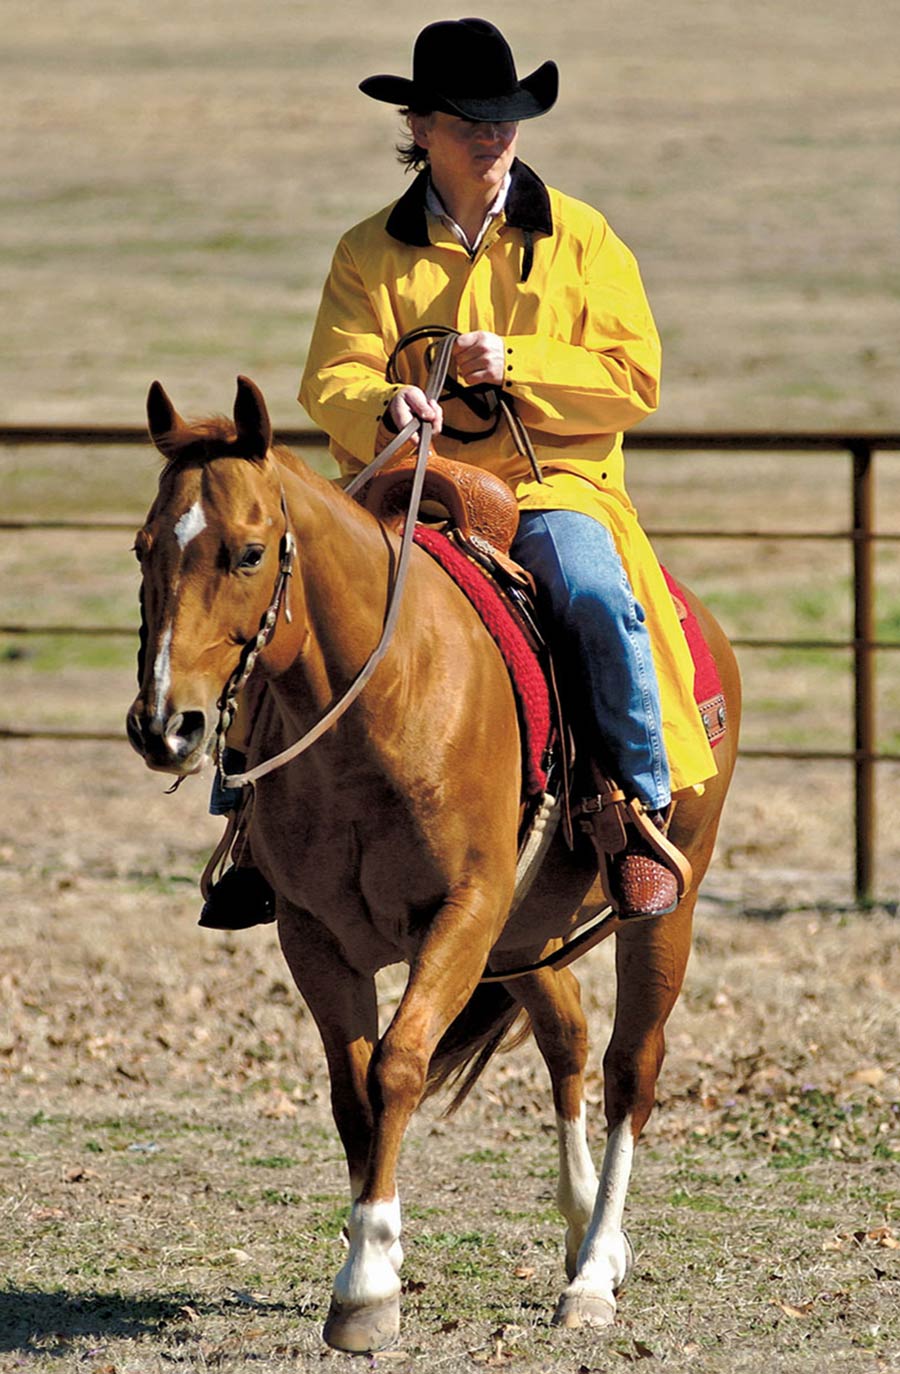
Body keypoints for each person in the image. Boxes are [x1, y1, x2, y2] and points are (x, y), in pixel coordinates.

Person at [201, 16, 716, 930]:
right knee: (283, 590)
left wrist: (516, 363)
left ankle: (631, 812)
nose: (494, 132)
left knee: (594, 594)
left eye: (506, 115)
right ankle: (249, 822)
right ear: (420, 127)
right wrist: (385, 406)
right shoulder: (368, 252)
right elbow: (332, 376)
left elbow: (635, 380)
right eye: (472, 118)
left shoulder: (583, 239)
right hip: (404, 483)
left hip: (546, 484)